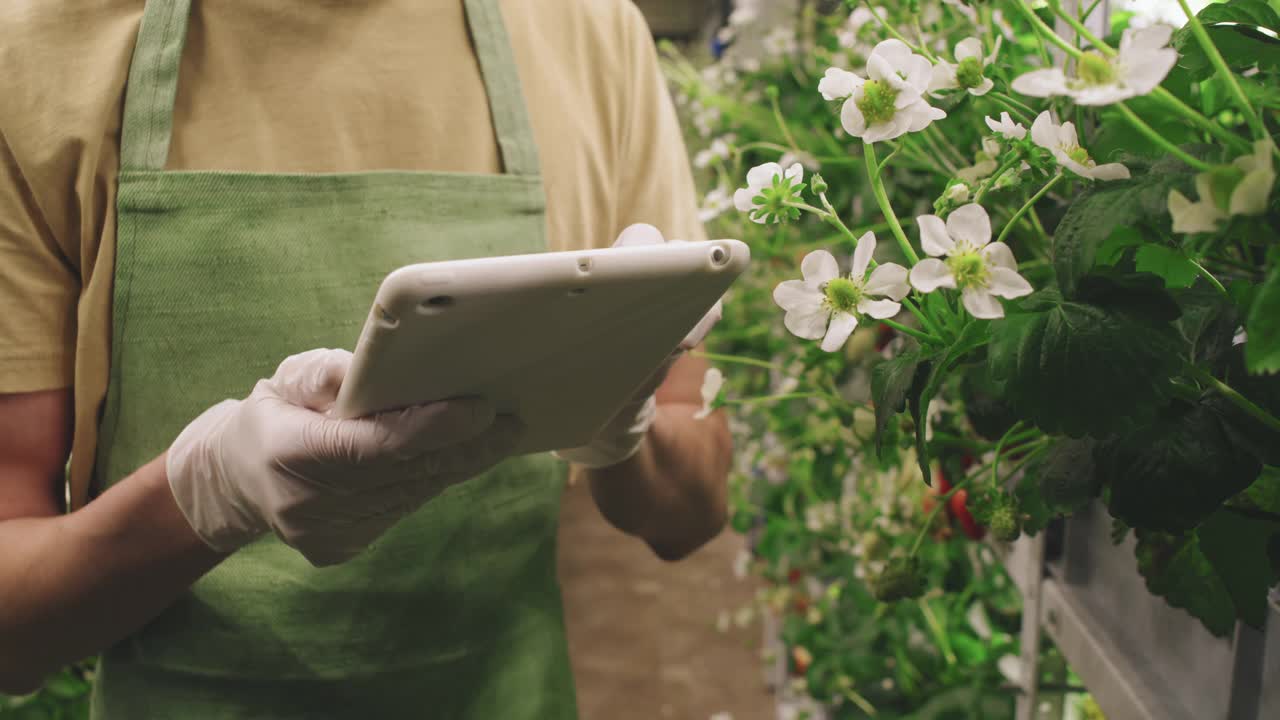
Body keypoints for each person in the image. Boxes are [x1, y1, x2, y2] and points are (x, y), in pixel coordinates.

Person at [0, 1, 733, 717]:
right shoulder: (40, 54)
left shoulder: (586, 32)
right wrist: (205, 493)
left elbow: (693, 511)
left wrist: (617, 419)